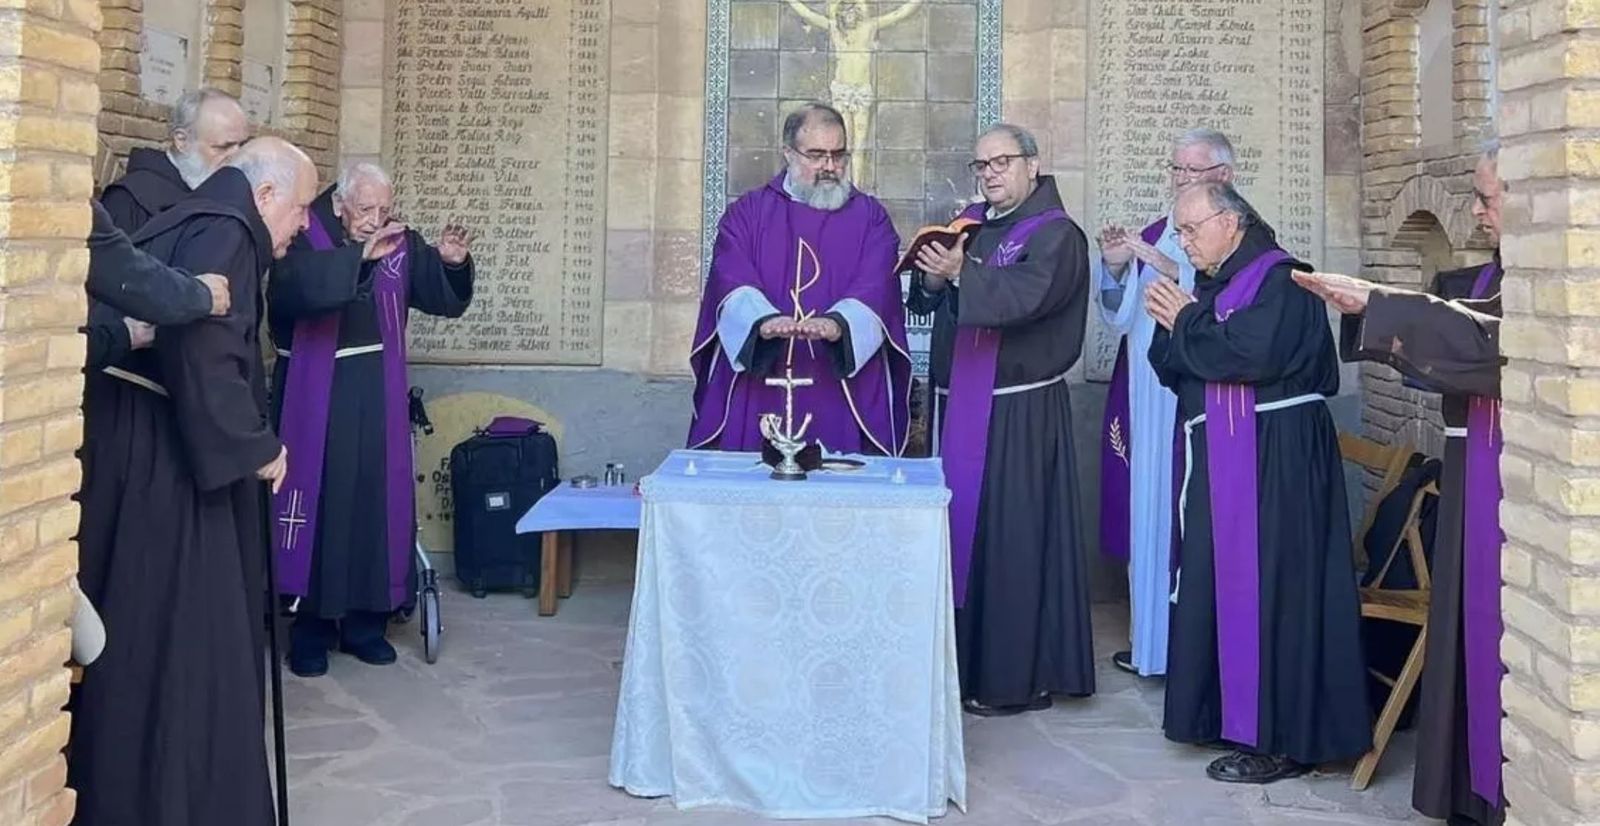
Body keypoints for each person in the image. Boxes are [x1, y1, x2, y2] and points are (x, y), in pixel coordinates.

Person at [69, 136, 317, 826]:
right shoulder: (228, 231)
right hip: (168, 467)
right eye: (298, 208)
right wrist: (253, 447)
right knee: (185, 642)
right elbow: (206, 351)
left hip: (135, 446)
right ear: (265, 195)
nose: (303, 224)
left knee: (144, 635)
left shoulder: (196, 216)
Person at [1295, 145, 1506, 825]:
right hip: (1474, 456)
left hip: (1508, 475)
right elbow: (1455, 348)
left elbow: (1497, 345)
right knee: (1471, 624)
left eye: (1489, 197)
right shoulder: (1494, 272)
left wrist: (1380, 302)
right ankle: (1473, 789)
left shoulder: (1560, 271)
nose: (1477, 212)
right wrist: (1377, 310)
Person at [1147, 180, 1370, 783]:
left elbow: (1251, 355)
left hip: (1280, 459)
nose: (1184, 242)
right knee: (1219, 581)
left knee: (1277, 590)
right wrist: (1174, 332)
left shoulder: (1281, 279)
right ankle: (1226, 716)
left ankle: (1284, 738)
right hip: (1228, 452)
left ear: (1231, 222)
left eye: (1192, 230)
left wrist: (1187, 322)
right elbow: (1181, 367)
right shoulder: (1215, 285)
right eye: (1181, 232)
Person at [906, 123, 1094, 714]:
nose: (989, 173)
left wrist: (964, 275)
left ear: (1032, 165)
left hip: (1019, 412)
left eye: (1001, 161)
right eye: (980, 164)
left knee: (1011, 543)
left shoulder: (1059, 236)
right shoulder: (973, 226)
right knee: (968, 540)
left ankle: (1016, 678)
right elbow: (929, 302)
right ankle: (961, 667)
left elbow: (1026, 299)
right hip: (962, 404)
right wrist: (934, 277)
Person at [266, 161, 474, 677]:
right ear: (339, 204)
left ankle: (364, 624)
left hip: (376, 397)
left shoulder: (399, 240)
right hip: (315, 402)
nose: (375, 220)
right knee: (321, 503)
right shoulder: (302, 233)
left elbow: (439, 297)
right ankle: (310, 630)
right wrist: (358, 258)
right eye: (365, 210)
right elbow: (291, 291)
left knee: (370, 504)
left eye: (384, 209)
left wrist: (451, 264)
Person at [687, 102, 911, 456]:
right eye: (816, 155)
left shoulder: (870, 217)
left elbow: (877, 281)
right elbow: (731, 274)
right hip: (761, 382)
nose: (829, 167)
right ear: (788, 153)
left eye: (838, 155)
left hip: (838, 388)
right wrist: (761, 321)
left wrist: (841, 325)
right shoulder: (748, 213)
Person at [1094, 128, 1236, 678]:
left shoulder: (1240, 236)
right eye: (1174, 170)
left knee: (1187, 520)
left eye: (1190, 171)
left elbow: (1239, 310)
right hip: (1147, 396)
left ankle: (1191, 650)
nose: (1178, 181)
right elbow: (1121, 316)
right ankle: (1151, 643)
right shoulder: (1157, 233)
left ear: (1222, 177)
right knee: (1149, 514)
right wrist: (1113, 268)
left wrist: (1178, 271)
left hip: (1199, 399)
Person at [82, 199, 231, 368]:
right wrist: (202, 295)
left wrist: (124, 335)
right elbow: (121, 270)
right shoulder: (65, 200)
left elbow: (57, 348)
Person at [98, 87, 249, 233]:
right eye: (223, 147)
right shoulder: (128, 200)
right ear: (182, 140)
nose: (236, 157)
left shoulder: (235, 195)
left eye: (241, 145)